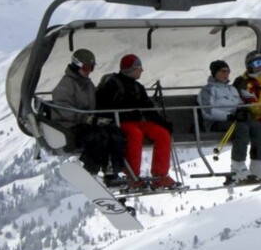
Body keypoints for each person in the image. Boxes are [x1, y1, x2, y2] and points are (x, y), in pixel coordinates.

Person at [95, 54, 177, 189]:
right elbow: (103, 106)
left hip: (135, 121)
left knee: (162, 133)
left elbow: (148, 108)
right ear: (131, 69)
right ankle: (132, 176)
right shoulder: (113, 85)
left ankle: (160, 175)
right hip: (119, 122)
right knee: (135, 134)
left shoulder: (137, 87)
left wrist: (163, 123)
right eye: (139, 68)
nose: (141, 71)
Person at [49, 49, 126, 181]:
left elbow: (94, 104)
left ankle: (113, 170)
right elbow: (64, 109)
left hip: (86, 123)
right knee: (97, 136)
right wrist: (88, 119)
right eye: (86, 67)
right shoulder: (66, 85)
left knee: (115, 132)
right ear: (76, 65)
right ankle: (90, 169)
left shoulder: (87, 84)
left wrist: (100, 118)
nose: (89, 71)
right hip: (69, 126)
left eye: (91, 67)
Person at [198, 60, 261, 179]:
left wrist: (243, 110)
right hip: (217, 122)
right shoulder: (208, 90)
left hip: (236, 119)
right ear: (215, 73)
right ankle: (238, 165)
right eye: (223, 71)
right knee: (242, 128)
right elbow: (207, 111)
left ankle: (257, 164)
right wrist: (229, 116)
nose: (226, 74)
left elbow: (239, 104)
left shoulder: (232, 89)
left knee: (257, 126)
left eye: (228, 71)